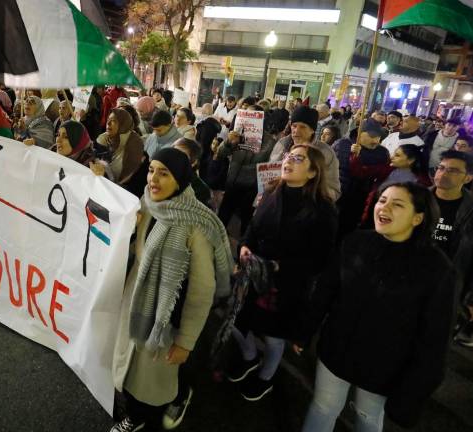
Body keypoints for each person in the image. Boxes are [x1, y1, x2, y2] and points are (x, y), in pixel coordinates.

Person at [299, 182, 455, 431]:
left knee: (367, 417)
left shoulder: (436, 268)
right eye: (382, 200)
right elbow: (326, 291)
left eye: (397, 204)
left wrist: (412, 393)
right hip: (336, 350)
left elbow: (434, 338)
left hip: (385, 367)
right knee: (323, 406)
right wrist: (305, 330)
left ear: (418, 218)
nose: (384, 207)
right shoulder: (355, 242)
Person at [110, 148, 233, 432]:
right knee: (132, 366)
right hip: (137, 301)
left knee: (152, 378)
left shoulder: (194, 226)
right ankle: (138, 409)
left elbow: (201, 291)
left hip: (165, 317)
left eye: (163, 173)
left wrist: (185, 342)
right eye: (152, 170)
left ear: (180, 180)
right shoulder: (149, 203)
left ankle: (142, 417)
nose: (153, 178)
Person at [226, 145, 337, 401]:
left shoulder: (323, 210)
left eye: (298, 159)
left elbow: (320, 259)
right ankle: (250, 357)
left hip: (287, 285)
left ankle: (266, 376)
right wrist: (244, 246)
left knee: (275, 336)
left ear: (312, 172)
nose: (288, 161)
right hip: (255, 273)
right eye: (288, 156)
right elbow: (254, 226)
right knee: (239, 321)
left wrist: (280, 266)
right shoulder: (273, 190)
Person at [431, 150, 473, 347]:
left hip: (448, 286)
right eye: (441, 168)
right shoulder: (419, 198)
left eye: (453, 171)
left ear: (468, 177)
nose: (443, 174)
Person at [216, 106, 277, 235]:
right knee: (222, 218)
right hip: (232, 182)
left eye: (252, 116)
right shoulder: (236, 134)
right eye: (246, 116)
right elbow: (220, 153)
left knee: (246, 223)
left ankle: (242, 249)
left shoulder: (269, 141)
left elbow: (266, 166)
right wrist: (228, 142)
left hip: (251, 188)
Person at [269, 106, 342, 202]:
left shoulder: (325, 153)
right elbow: (268, 172)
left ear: (312, 130)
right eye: (294, 126)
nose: (296, 130)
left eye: (303, 127)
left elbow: (333, 191)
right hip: (274, 202)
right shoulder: (282, 143)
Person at [350, 144, 431, 227]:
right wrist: (355, 155)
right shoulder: (386, 170)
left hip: (400, 219)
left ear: (410, 160)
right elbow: (360, 172)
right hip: (374, 213)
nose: (392, 157)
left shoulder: (421, 181)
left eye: (397, 155)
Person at [333, 120, 389, 236]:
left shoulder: (382, 152)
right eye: (371, 136)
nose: (375, 141)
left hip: (362, 199)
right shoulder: (342, 144)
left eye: (378, 137)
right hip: (338, 194)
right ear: (359, 133)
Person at [95, 108, 145, 195]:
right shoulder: (106, 140)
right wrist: (100, 143)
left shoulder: (134, 143)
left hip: (126, 193)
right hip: (106, 189)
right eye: (108, 120)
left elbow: (131, 180)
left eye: (113, 121)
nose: (108, 123)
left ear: (123, 124)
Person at [173, 138, 212, 207]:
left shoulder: (200, 190)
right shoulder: (161, 174)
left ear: (194, 162)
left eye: (181, 156)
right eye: (173, 152)